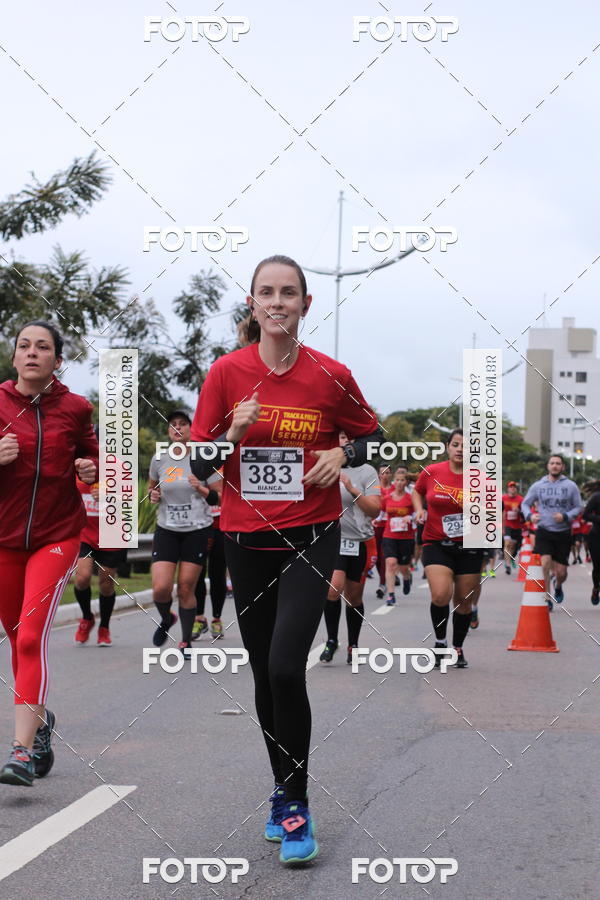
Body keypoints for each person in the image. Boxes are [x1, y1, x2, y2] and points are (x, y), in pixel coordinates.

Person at [190, 255, 381, 865]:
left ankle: (296, 803)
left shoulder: (331, 374)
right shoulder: (225, 374)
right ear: (252, 304)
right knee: (260, 675)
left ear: (304, 305)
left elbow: (370, 434)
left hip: (311, 533)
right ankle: (281, 789)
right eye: (266, 293)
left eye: (289, 293)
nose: (277, 302)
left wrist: (343, 454)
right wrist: (231, 434)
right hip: (245, 539)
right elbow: (199, 465)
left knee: (282, 667)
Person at [0, 321, 98, 786]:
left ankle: (19, 752)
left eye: (43, 347)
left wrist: (89, 465)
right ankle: (39, 727)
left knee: (29, 637)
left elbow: (99, 460)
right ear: (14, 356)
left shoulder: (76, 408)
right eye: (25, 346)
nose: (33, 353)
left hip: (56, 536)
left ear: (58, 360)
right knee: (16, 636)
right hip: (2, 540)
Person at [411, 429, 483, 669]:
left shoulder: (480, 478)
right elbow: (417, 491)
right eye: (456, 444)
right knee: (441, 594)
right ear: (448, 447)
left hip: (470, 545)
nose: (460, 449)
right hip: (435, 542)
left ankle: (457, 646)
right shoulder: (432, 472)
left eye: (466, 445)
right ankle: (440, 642)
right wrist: (419, 509)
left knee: (463, 601)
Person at [148, 411, 219, 653]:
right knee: (160, 589)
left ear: (191, 429)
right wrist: (153, 495)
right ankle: (167, 619)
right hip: (167, 529)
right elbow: (152, 489)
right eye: (173, 425)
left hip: (197, 531)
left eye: (183, 424)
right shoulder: (159, 459)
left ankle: (186, 640)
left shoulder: (203, 459)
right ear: (168, 430)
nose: (178, 428)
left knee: (186, 587)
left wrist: (200, 488)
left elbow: (219, 497)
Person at [320, 432, 380, 664]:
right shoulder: (324, 465)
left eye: (347, 438)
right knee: (332, 589)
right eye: (339, 436)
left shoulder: (368, 471)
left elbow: (375, 510)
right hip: (333, 540)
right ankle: (332, 640)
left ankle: (353, 644)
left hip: (360, 541)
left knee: (354, 598)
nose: (342, 441)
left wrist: (353, 490)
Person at [73, 457, 127, 646]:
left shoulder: (118, 467)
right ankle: (87, 618)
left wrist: (109, 496)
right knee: (82, 578)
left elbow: (129, 499)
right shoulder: (76, 466)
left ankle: (104, 627)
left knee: (106, 584)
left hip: (111, 534)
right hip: (85, 533)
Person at [521, 454, 582, 608]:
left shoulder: (571, 486)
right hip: (544, 530)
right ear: (548, 466)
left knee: (561, 572)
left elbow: (578, 507)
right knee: (545, 564)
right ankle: (547, 597)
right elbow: (525, 503)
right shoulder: (538, 485)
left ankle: (558, 586)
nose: (555, 466)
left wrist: (566, 516)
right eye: (552, 463)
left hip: (563, 532)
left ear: (563, 467)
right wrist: (530, 515)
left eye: (558, 463)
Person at [192, 468, 226, 640]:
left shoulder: (226, 462)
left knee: (217, 573)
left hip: (221, 524)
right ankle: (199, 618)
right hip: (198, 524)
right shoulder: (193, 465)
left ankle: (216, 619)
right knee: (197, 573)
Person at [381, 469, 415, 605]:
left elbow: (420, 513)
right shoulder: (387, 498)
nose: (399, 483)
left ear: (406, 482)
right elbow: (381, 512)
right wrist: (375, 519)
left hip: (406, 538)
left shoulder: (410, 498)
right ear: (394, 481)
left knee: (403, 567)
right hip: (389, 535)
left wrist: (410, 517)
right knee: (391, 564)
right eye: (397, 480)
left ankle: (407, 577)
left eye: (402, 480)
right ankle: (390, 595)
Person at [373, 464, 392, 598]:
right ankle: (386, 577)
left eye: (388, 473)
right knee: (377, 557)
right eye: (383, 473)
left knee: (384, 555)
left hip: (389, 527)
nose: (385, 475)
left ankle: (382, 583)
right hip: (375, 526)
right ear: (379, 475)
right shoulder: (374, 488)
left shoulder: (394, 489)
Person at [582, 482, 600, 605]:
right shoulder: (597, 497)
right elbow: (585, 515)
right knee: (598, 567)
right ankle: (596, 588)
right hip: (597, 536)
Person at [502, 481, 524, 574]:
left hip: (517, 526)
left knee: (513, 546)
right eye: (511, 487)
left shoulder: (520, 499)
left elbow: (525, 512)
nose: (512, 488)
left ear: (516, 489)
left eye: (514, 487)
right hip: (507, 524)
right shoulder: (503, 498)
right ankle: (507, 565)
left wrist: (519, 510)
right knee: (507, 544)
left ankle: (511, 559)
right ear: (508, 489)